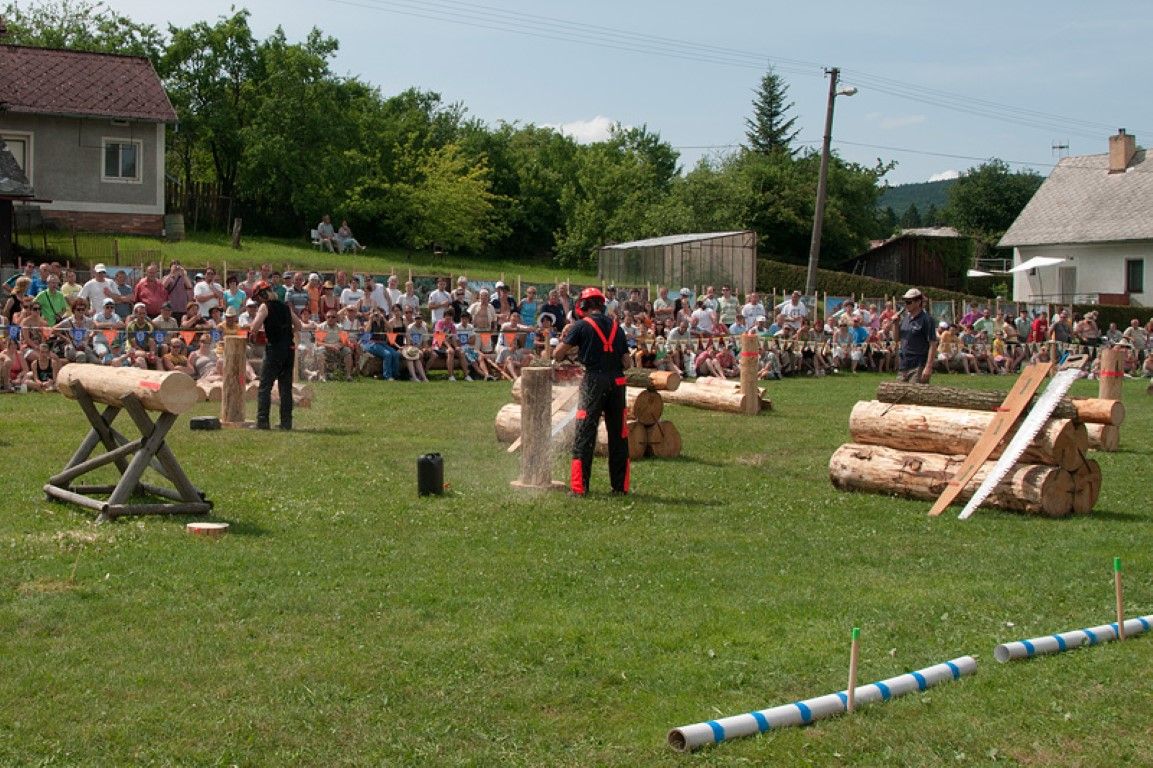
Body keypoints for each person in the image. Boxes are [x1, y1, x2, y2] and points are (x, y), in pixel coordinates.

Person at [553, 287, 631, 496]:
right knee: (619, 435)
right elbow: (627, 361)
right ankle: (620, 487)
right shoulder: (617, 327)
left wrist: (566, 338)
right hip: (617, 381)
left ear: (583, 306)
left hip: (593, 381)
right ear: (602, 305)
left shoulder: (580, 326)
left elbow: (558, 355)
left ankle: (579, 488)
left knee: (585, 433)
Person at [247, 280, 302, 430]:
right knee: (285, 387)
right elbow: (299, 325)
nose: (257, 301)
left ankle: (262, 421)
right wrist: (286, 333)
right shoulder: (285, 306)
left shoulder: (265, 306)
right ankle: (286, 423)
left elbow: (254, 327)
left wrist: (252, 334)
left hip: (274, 350)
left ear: (262, 294)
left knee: (265, 386)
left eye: (257, 298)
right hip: (289, 349)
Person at [894, 287, 937, 383]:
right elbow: (896, 339)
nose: (906, 305)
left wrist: (928, 367)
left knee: (915, 396)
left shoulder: (927, 319)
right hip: (904, 365)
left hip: (918, 366)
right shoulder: (905, 318)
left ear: (918, 302)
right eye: (905, 302)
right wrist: (896, 324)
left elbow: (933, 344)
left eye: (909, 302)